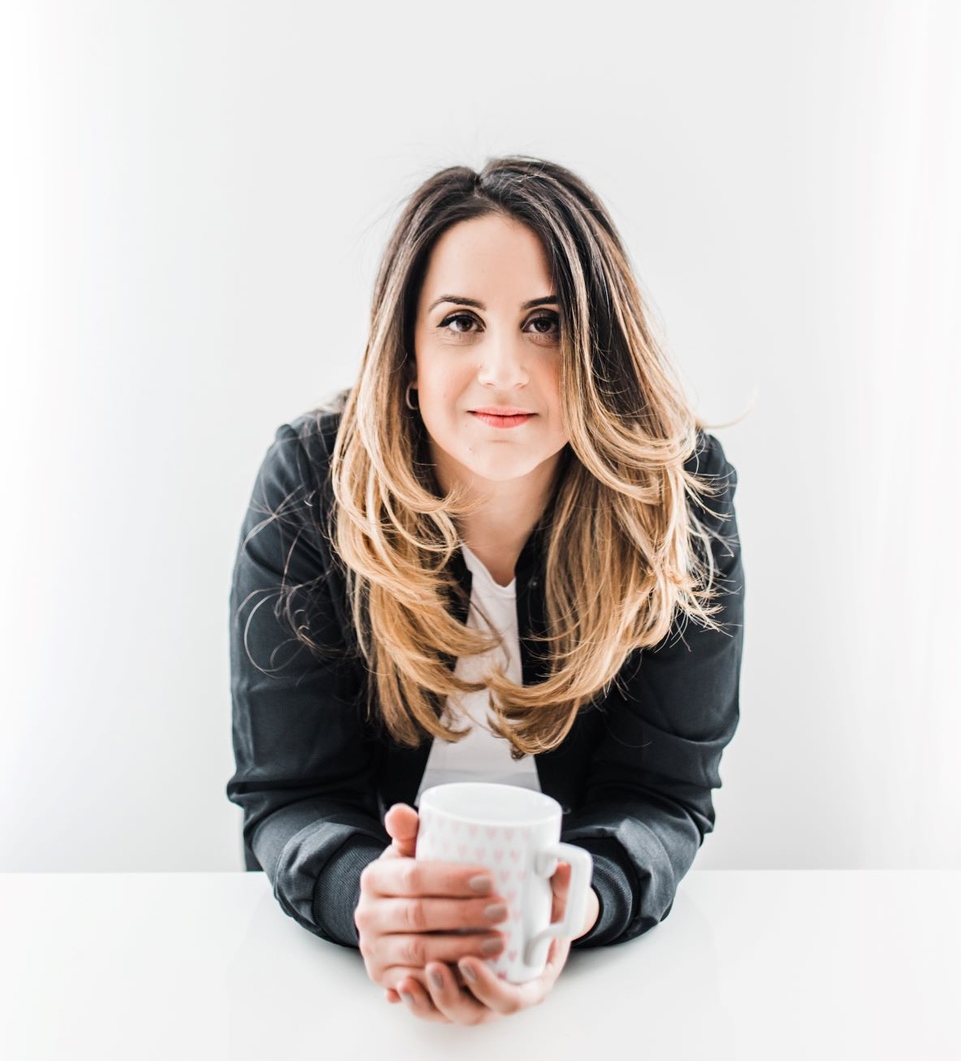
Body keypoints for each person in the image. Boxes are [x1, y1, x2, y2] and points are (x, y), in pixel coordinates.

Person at [226, 155, 745, 1026]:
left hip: (600, 996)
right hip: (334, 994)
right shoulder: (312, 481)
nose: (503, 370)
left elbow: (662, 799)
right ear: (407, 354)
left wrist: (573, 906)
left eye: (546, 323)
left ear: (601, 349)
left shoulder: (679, 491)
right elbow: (289, 798)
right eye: (460, 321)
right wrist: (368, 898)